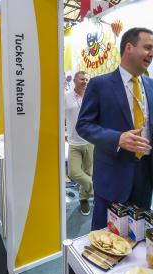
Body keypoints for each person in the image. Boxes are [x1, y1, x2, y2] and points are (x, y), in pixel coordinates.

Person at [76, 27, 153, 230]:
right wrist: (117, 139)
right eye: (147, 47)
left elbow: (151, 126)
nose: (152, 54)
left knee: (138, 236)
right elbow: (83, 125)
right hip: (113, 175)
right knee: (105, 240)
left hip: (145, 176)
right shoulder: (99, 85)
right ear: (129, 48)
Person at [65, 71, 94, 215]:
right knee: (74, 172)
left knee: (88, 172)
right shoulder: (66, 97)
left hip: (89, 142)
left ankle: (84, 199)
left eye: (86, 79)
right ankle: (94, 188)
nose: (85, 81)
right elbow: (59, 117)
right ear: (75, 81)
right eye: (82, 79)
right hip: (74, 142)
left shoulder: (91, 97)